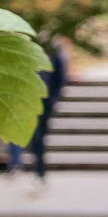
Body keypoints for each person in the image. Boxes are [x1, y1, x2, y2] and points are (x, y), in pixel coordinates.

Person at [26, 39, 70, 183]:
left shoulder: (54, 51)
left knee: (40, 134)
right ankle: (39, 170)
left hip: (45, 101)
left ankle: (40, 170)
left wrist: (54, 99)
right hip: (30, 99)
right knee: (36, 135)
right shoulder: (29, 48)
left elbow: (60, 77)